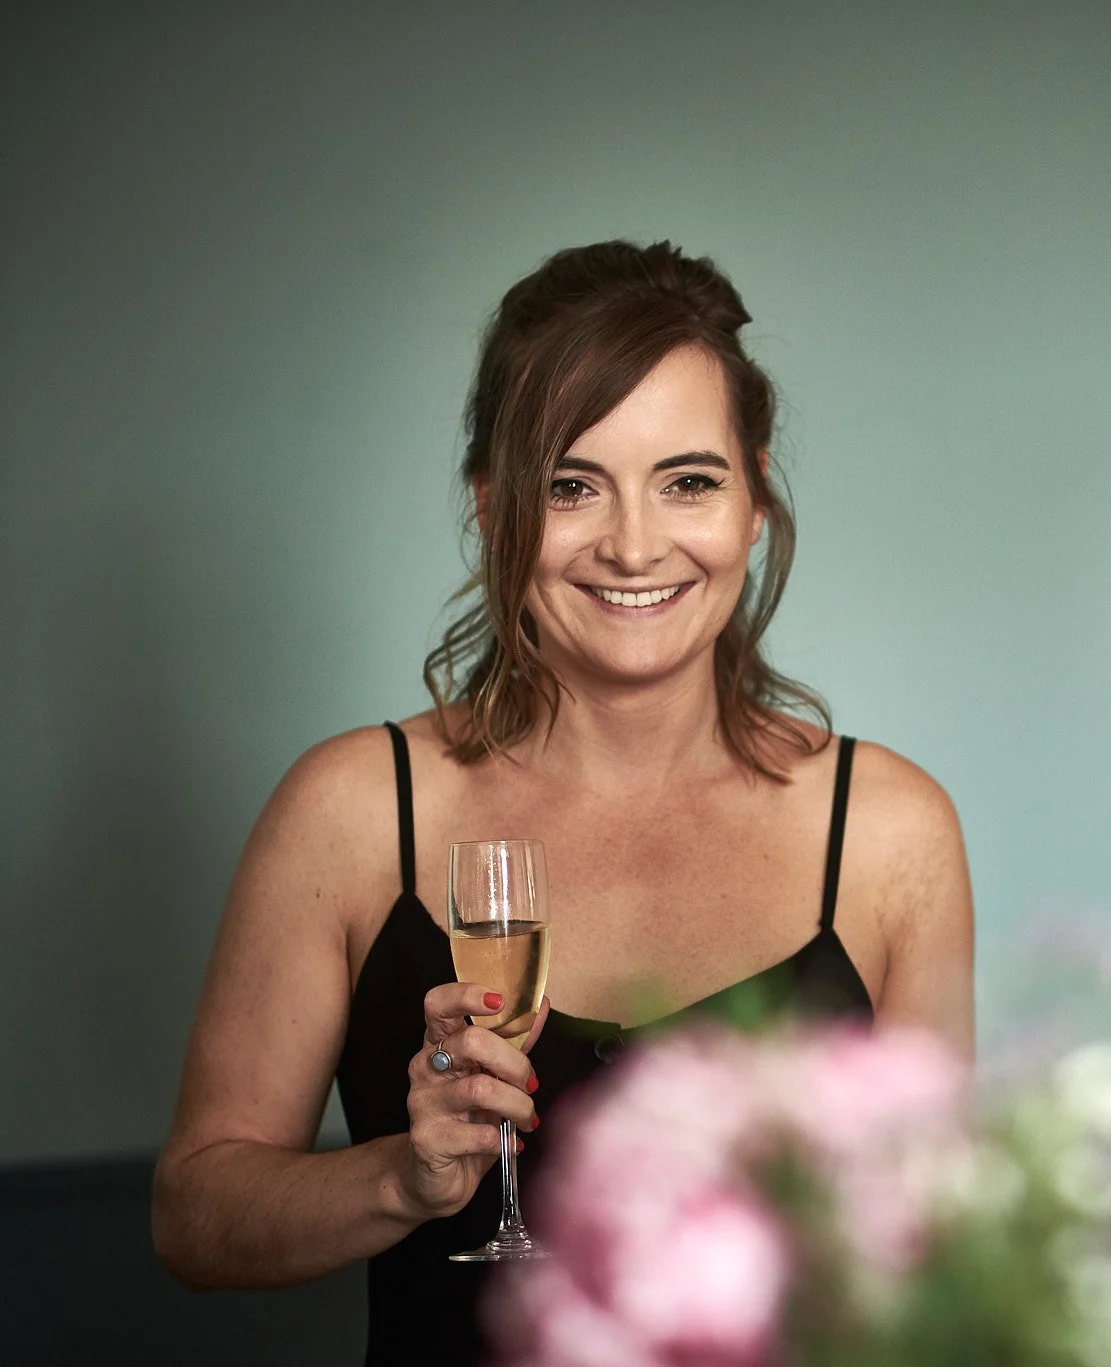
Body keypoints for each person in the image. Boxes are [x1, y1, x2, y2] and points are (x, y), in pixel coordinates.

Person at [152, 241, 975, 1364]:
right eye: (571, 485)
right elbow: (193, 1217)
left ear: (753, 503)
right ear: (494, 507)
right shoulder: (352, 809)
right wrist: (401, 1176)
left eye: (689, 481)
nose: (634, 545)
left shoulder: (887, 832)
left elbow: (944, 1255)